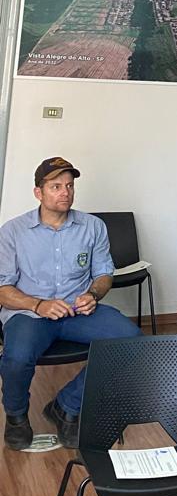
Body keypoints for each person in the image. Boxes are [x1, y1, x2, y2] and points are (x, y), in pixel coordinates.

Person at [0, 157, 143, 450]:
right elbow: (2, 289)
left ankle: (66, 406)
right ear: (38, 192)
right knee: (16, 357)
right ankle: (16, 417)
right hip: (30, 314)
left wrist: (93, 295)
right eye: (56, 186)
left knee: (132, 342)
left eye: (69, 185)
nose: (65, 192)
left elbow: (103, 274)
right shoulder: (12, 231)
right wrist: (38, 305)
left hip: (78, 312)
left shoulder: (93, 226)